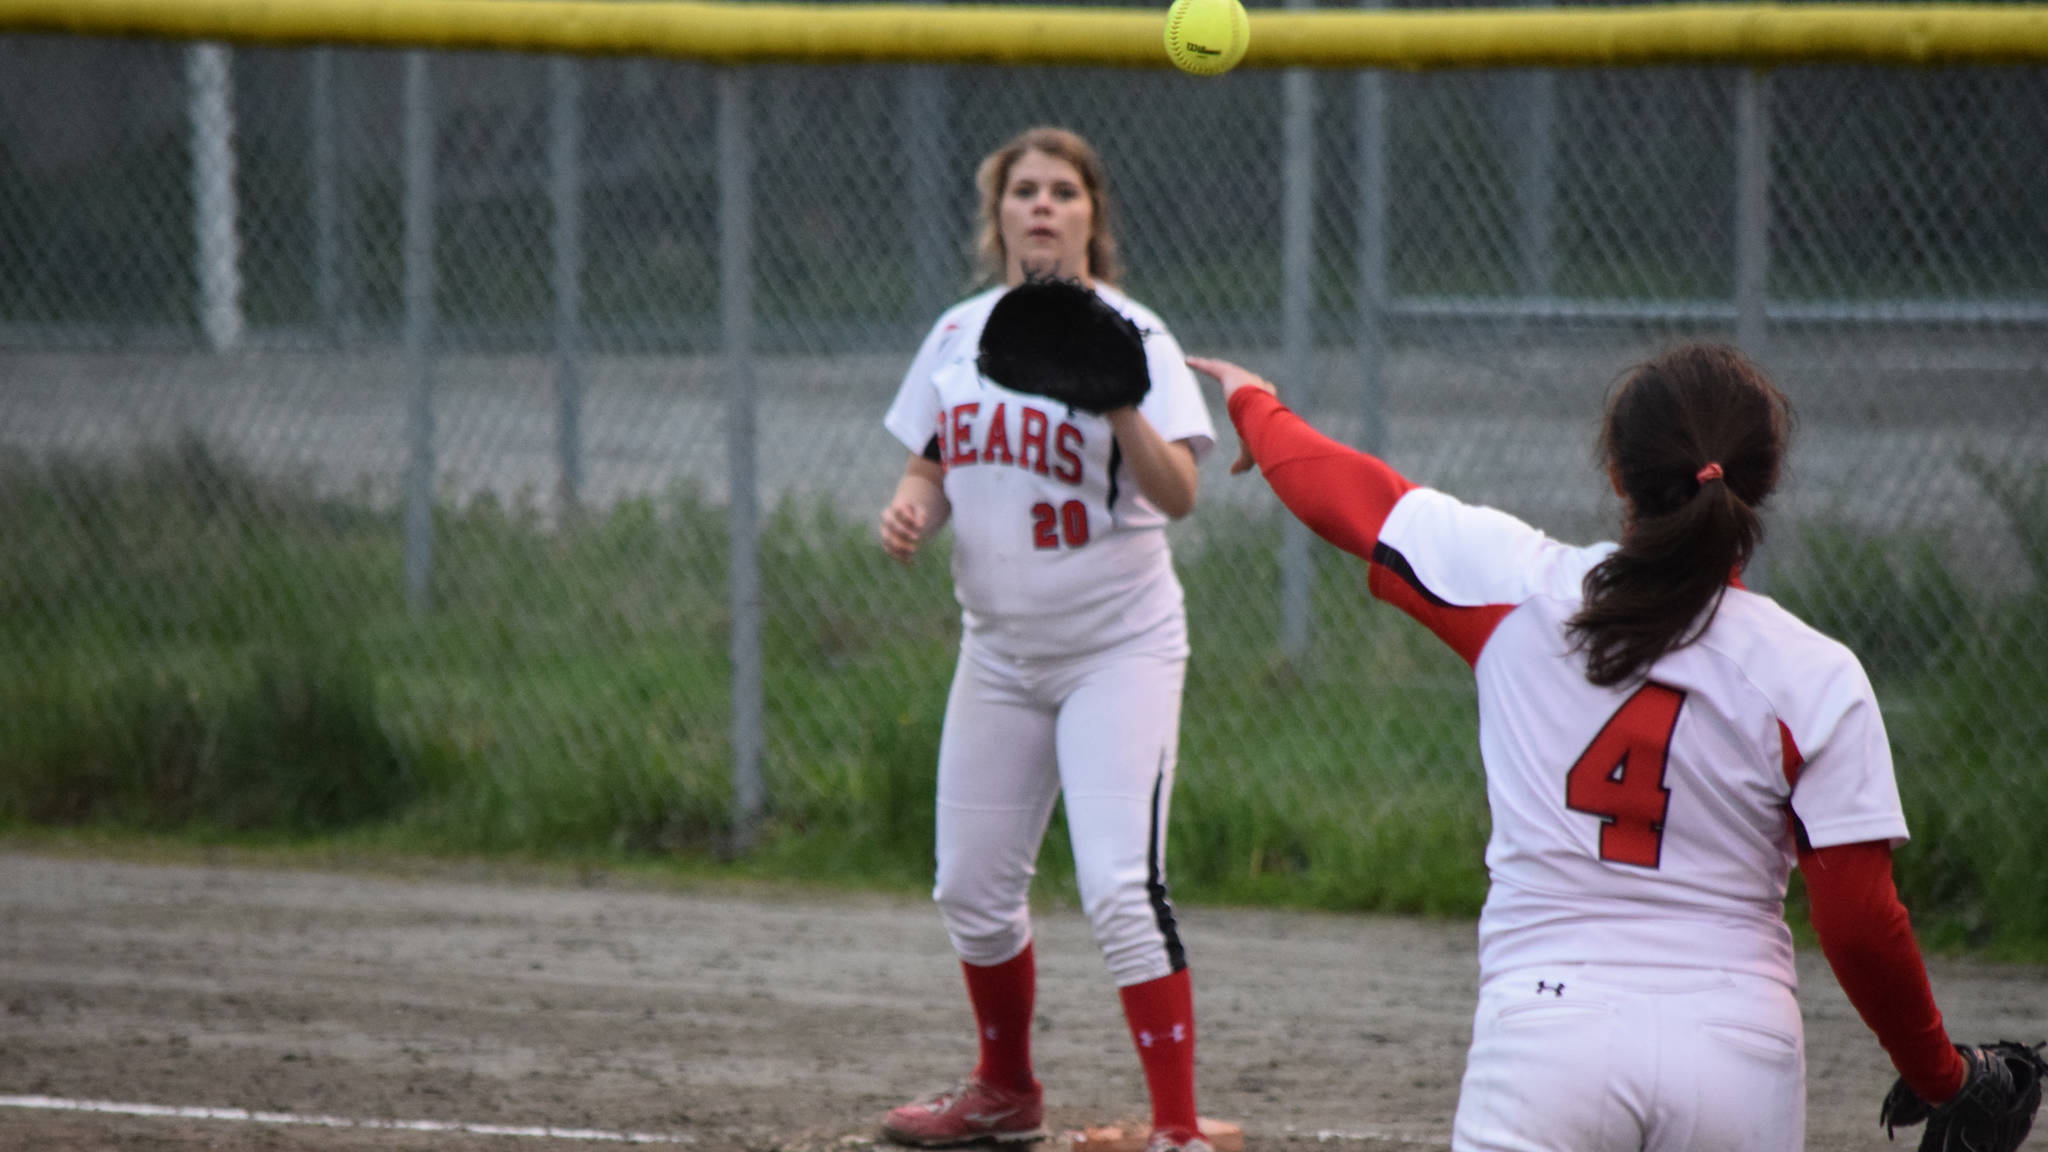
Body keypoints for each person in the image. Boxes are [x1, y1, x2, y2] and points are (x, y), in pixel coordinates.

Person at [1189, 343, 1974, 1152]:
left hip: (1544, 1032)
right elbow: (1859, 923)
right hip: (1737, 1047)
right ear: (1761, 484)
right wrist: (1942, 1075)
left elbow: (1337, 489)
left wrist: (1254, 402)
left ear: (1616, 474)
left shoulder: (1521, 591)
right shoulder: (1814, 673)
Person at [875, 127, 1219, 1152]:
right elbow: (933, 464)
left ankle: (1175, 1131)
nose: (1038, 206)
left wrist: (1118, 406)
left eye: (1060, 191)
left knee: (1119, 888)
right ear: (997, 215)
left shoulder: (1135, 335)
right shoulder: (956, 335)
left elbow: (1180, 495)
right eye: (1020, 190)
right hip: (998, 653)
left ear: (1090, 216)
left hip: (1117, 648)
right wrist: (909, 502)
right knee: (970, 890)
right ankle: (1005, 1092)